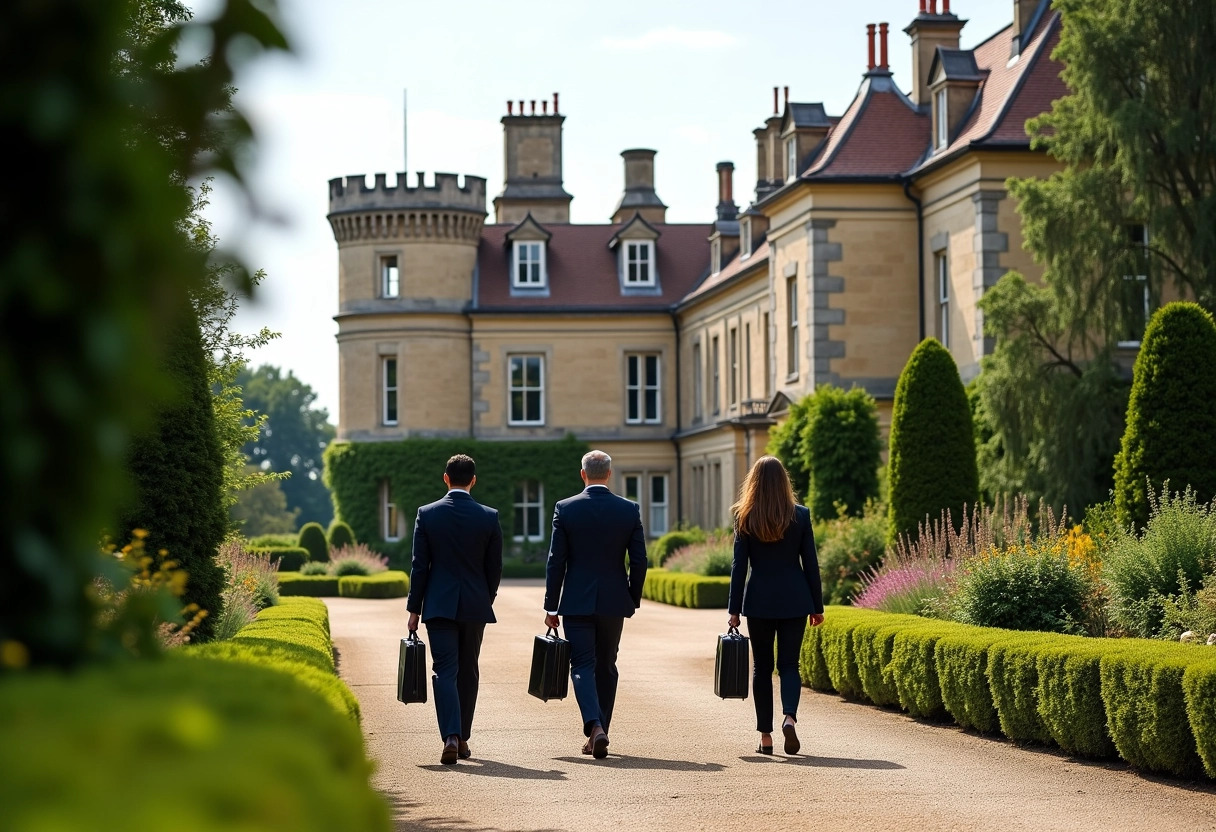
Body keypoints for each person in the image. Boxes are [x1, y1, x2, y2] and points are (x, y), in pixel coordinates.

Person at [543, 450, 647, 759]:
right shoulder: (629, 510)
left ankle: (594, 727)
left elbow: (555, 561)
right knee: (607, 665)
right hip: (614, 600)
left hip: (576, 601)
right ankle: (601, 730)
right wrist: (632, 596)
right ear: (610, 474)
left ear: (583, 474)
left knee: (582, 665)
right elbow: (640, 560)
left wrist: (551, 605)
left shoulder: (566, 508)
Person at [406, 454, 503, 765]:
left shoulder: (427, 514)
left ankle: (450, 734)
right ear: (473, 480)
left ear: (445, 478)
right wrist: (485, 598)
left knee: (444, 670)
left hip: (438, 605)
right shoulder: (489, 516)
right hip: (475, 604)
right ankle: (462, 737)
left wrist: (414, 609)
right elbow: (494, 568)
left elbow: (419, 566)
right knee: (469, 669)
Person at [727, 455, 824, 756]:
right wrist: (817, 605)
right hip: (795, 598)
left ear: (753, 483)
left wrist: (734, 609)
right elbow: (811, 565)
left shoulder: (744, 517)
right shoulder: (801, 515)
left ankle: (765, 737)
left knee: (762, 669)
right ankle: (790, 718)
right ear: (784, 481)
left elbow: (738, 567)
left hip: (759, 600)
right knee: (790, 665)